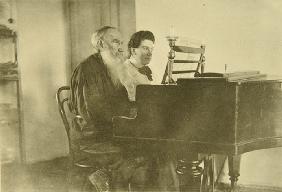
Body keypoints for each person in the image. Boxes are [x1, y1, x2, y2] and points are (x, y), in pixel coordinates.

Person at [69, 26, 129, 141]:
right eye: (116, 42)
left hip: (111, 127)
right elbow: (91, 111)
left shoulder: (112, 68)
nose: (121, 48)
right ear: (101, 44)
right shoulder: (87, 69)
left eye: (121, 43)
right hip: (92, 133)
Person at [119, 30, 155, 102]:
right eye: (145, 48)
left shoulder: (146, 69)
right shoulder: (124, 70)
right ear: (133, 51)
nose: (150, 53)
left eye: (151, 49)